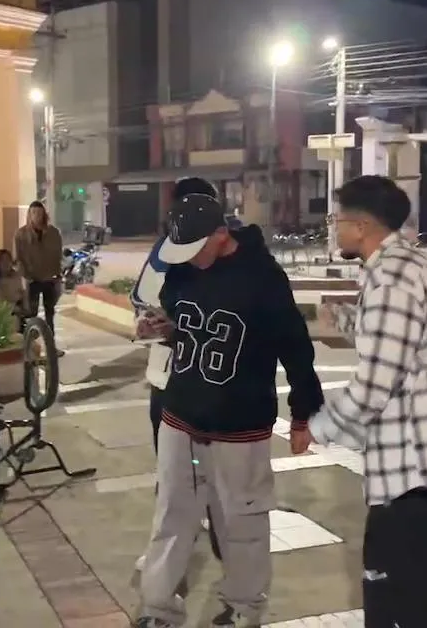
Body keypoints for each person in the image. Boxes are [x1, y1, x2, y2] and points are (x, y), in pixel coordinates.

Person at [300, 175, 427, 628]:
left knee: (395, 603)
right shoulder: (420, 265)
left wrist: (318, 428)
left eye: (337, 221)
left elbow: (374, 385)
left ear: (360, 227)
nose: (334, 229)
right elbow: (406, 340)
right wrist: (348, 319)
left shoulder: (391, 281)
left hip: (416, 474)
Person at [134, 192, 324, 628]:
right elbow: (187, 324)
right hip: (180, 416)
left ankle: (244, 608)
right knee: (170, 518)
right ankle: (158, 609)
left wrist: (303, 414)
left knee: (242, 525)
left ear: (222, 234)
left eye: (195, 248)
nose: (188, 258)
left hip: (240, 428)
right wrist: (165, 329)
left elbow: (296, 348)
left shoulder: (263, 278)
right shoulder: (183, 269)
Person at [131, 177, 224, 573]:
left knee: (218, 473)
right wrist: (145, 324)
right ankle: (168, 556)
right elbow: (143, 299)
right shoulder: (164, 250)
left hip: (212, 383)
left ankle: (228, 548)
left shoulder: (231, 258)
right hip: (166, 381)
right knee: (170, 474)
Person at [13, 200, 64, 334]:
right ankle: (30, 340)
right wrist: (25, 276)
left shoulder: (54, 233)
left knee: (50, 312)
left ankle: (50, 341)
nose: (37, 216)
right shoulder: (21, 234)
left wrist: (58, 275)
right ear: (29, 214)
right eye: (34, 213)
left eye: (39, 213)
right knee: (31, 313)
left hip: (50, 278)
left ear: (44, 215)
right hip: (32, 279)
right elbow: (18, 258)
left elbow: (58, 255)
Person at [0, 248, 29, 327]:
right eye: (3, 261)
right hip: (0, 313)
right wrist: (14, 308)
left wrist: (24, 306)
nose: (6, 263)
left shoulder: (16, 275)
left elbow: (22, 292)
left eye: (8, 260)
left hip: (16, 311)